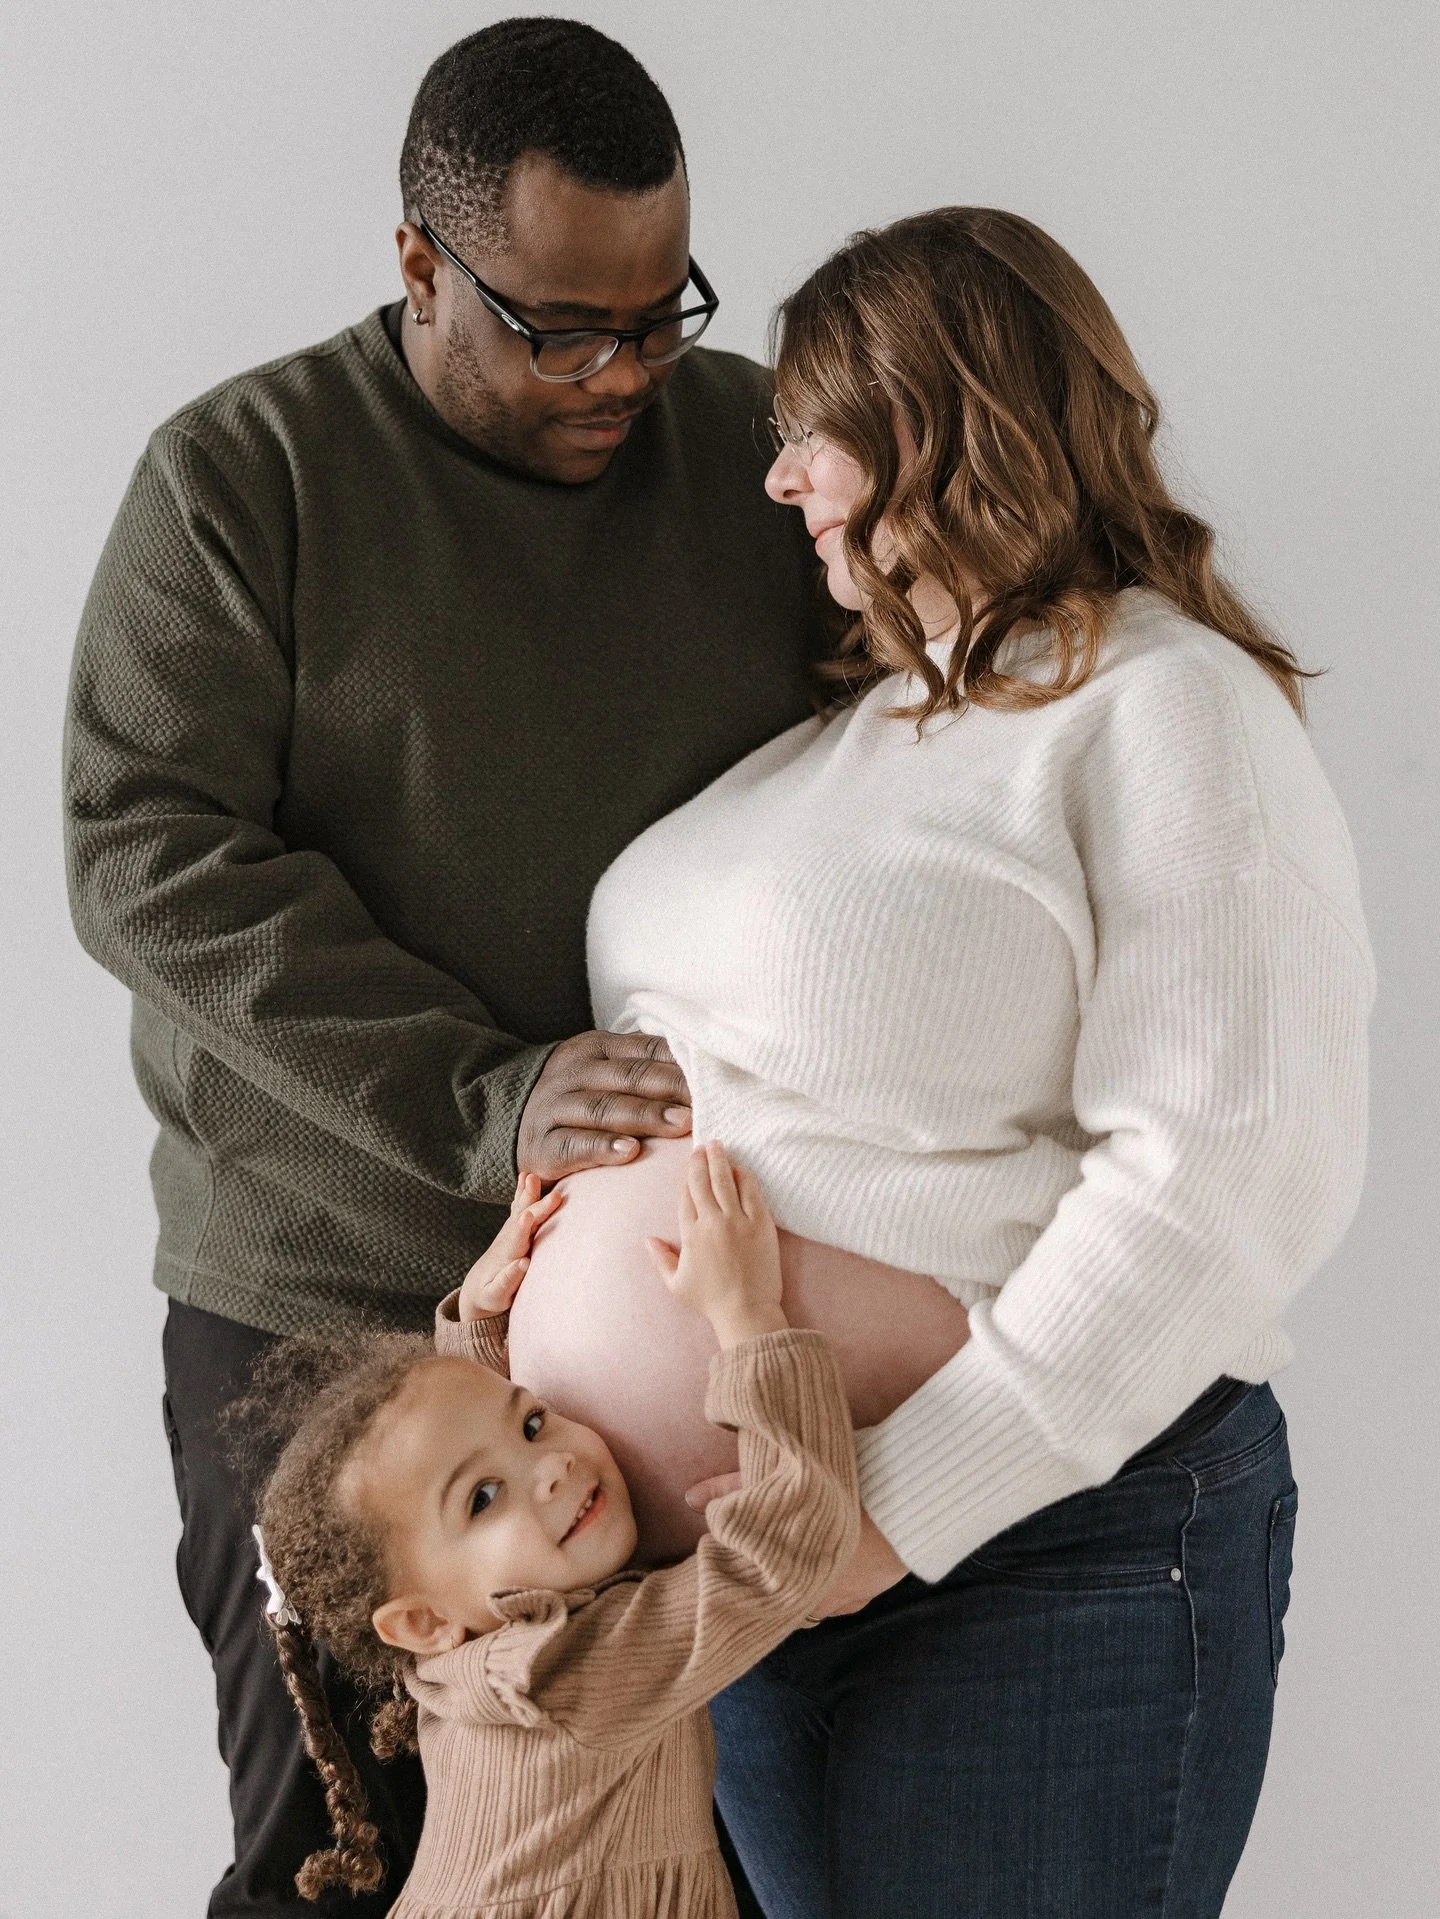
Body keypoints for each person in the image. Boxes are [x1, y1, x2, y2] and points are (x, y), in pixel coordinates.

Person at [504, 207, 1376, 1915]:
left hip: (1037, 1544)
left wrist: (894, 1512)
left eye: (811, 430)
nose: (777, 482)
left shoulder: (1162, 704)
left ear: (945, 420)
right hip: (766, 1576)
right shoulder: (849, 734)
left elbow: (1228, 1162)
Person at [63, 19, 826, 1915]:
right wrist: (489, 1099)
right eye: (565, 327)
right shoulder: (247, 479)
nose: (626, 373)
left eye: (664, 315)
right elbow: (146, 856)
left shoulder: (741, 448)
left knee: (671, 1845)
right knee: (346, 1855)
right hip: (328, 1314)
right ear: (419, 261)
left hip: (653, 1313)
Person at [242, 1143, 859, 1916]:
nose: (553, 1467)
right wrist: (747, 1312)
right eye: (485, 1497)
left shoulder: (462, 1656)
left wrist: (478, 1322)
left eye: (532, 1421)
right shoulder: (566, 1672)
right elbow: (782, 1555)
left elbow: (435, 1490)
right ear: (427, 1621)